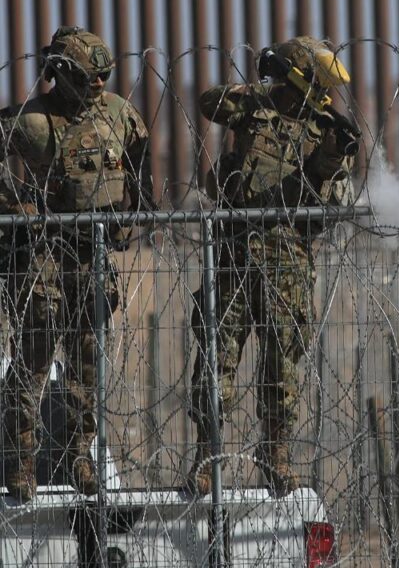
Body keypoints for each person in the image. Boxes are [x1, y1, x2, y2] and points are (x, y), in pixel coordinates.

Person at [187, 36, 359, 497]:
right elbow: (209, 103)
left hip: (288, 260)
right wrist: (264, 89)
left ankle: (275, 453)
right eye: (316, 84)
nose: (324, 96)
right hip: (234, 255)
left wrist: (329, 161)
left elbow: (332, 204)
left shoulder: (328, 131)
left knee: (281, 368)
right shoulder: (254, 109)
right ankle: (206, 457)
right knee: (216, 361)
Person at [0, 26, 152, 501]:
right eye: (91, 77)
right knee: (34, 360)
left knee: (88, 366)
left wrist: (133, 214)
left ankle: (79, 457)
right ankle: (21, 461)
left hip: (93, 255)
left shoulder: (118, 115)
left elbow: (140, 158)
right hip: (46, 255)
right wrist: (14, 207)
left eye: (104, 77)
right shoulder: (33, 122)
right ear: (62, 75)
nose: (99, 85)